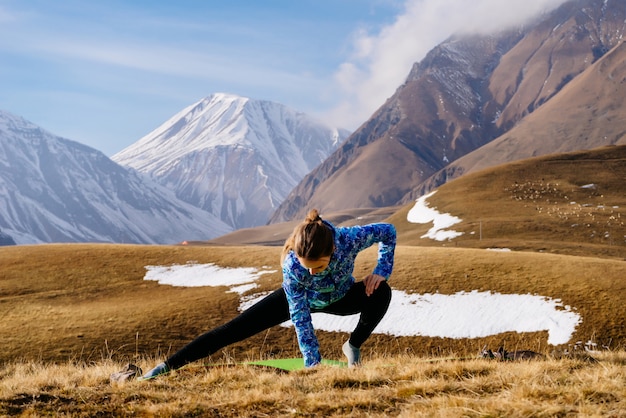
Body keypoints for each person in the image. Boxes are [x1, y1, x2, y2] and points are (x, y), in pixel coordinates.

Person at [139, 209, 396, 379]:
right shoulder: (293, 265)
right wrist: (312, 363)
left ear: (333, 250)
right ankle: (164, 367)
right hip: (301, 300)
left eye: (319, 266)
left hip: (342, 296)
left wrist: (381, 270)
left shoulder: (348, 239)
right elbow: (300, 317)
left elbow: (389, 231)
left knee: (381, 292)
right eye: (309, 267)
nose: (314, 272)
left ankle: (352, 346)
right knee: (232, 330)